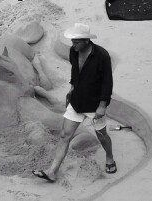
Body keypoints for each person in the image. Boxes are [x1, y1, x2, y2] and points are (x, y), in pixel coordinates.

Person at [32, 23, 116, 183]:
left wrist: (102, 105)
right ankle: (52, 171)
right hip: (77, 100)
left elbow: (107, 82)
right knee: (64, 135)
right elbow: (75, 71)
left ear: (86, 41)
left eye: (76, 42)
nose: (73, 44)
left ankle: (110, 157)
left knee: (102, 136)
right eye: (72, 41)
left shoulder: (102, 56)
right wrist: (71, 89)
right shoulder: (73, 51)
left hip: (95, 103)